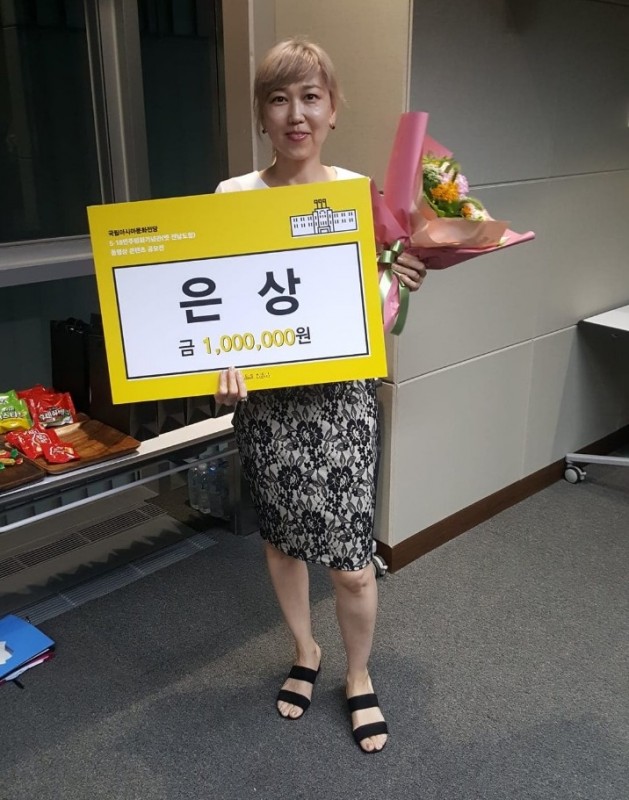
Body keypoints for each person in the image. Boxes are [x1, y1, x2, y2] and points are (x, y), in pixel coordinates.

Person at [214, 37, 426, 754]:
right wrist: (219, 362)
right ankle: (305, 650)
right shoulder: (233, 198)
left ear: (333, 110)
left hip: (340, 402)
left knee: (351, 563)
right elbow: (215, 305)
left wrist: (401, 278)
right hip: (268, 406)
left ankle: (357, 673)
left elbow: (375, 305)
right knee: (282, 544)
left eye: (310, 97)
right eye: (278, 99)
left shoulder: (358, 195)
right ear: (262, 115)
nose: (295, 114)